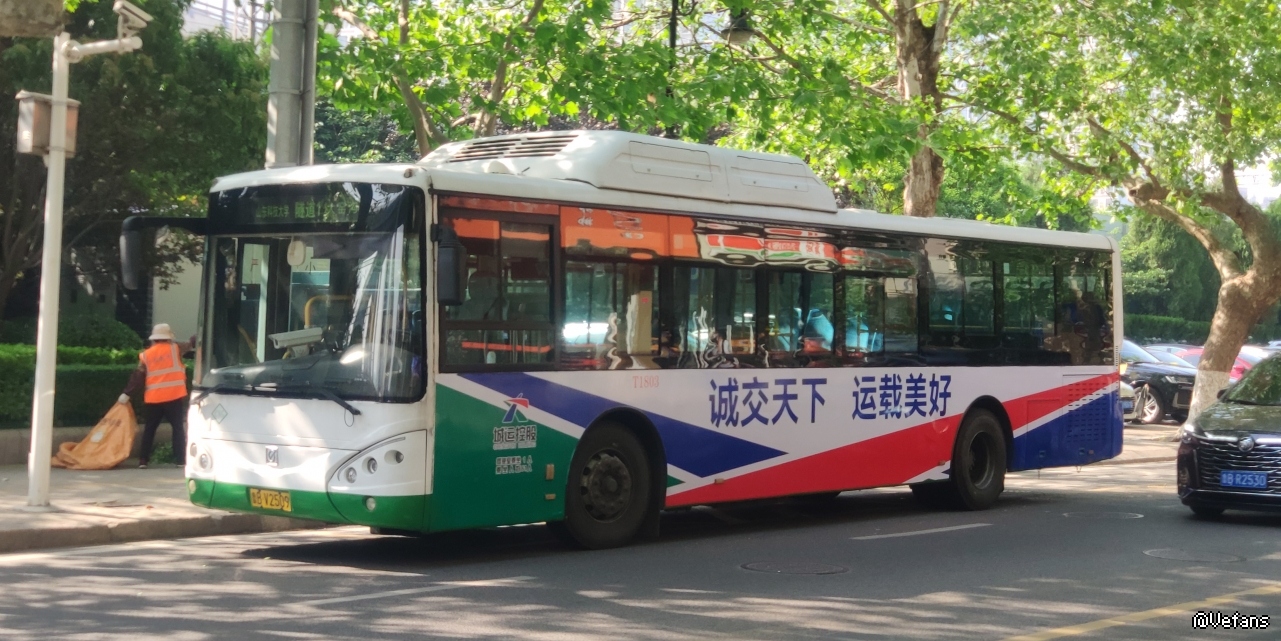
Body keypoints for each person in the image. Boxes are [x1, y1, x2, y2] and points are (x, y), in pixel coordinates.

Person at [119, 324, 192, 469]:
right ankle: (180, 460)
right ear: (169, 338)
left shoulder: (146, 355)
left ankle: (143, 460)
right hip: (174, 396)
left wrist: (127, 393)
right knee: (177, 428)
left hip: (154, 398)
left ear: (154, 339)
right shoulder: (176, 349)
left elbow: (138, 377)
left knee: (150, 429)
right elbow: (192, 343)